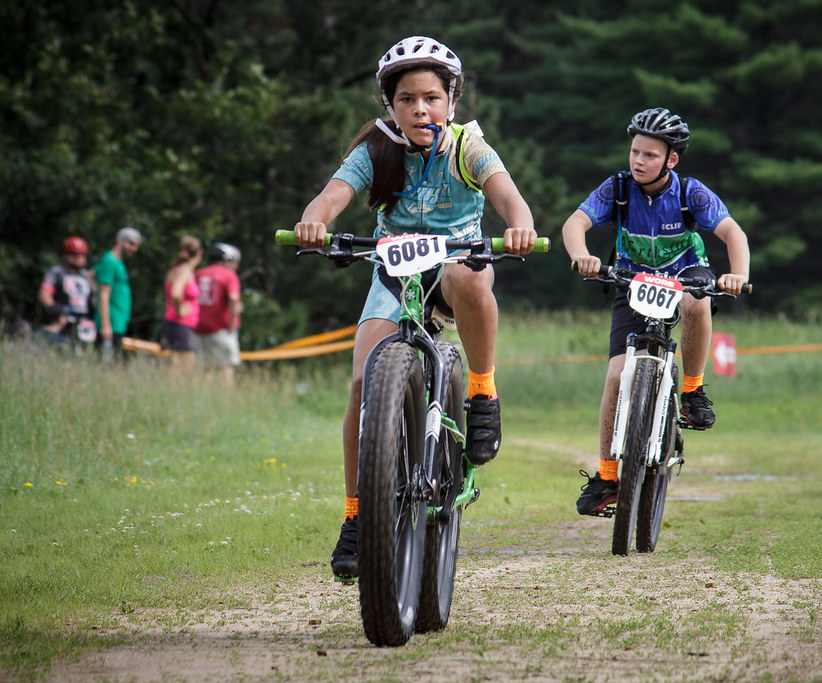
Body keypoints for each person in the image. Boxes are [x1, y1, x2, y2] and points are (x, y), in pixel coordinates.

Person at [292, 36, 536, 578]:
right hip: (392, 273)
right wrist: (316, 220)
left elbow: (507, 196)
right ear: (390, 106)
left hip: (454, 270)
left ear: (451, 101)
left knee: (467, 275)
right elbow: (332, 194)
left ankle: (482, 391)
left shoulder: (468, 147)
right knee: (361, 383)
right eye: (406, 99)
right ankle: (357, 516)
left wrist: (521, 225)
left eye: (430, 97)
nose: (419, 108)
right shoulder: (376, 148)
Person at [563, 107, 750, 516]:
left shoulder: (691, 193)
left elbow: (732, 232)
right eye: (634, 152)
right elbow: (574, 223)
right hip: (631, 283)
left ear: (671, 159)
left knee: (696, 299)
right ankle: (608, 476)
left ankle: (692, 391)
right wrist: (582, 256)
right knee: (615, 375)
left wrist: (738, 274)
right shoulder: (617, 188)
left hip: (684, 276)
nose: (638, 161)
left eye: (650, 155)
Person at [195, 242, 243, 386]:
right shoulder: (229, 275)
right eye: (234, 262)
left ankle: (206, 398)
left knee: (205, 368)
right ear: (227, 259)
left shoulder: (198, 273)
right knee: (227, 367)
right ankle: (226, 401)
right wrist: (231, 325)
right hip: (221, 328)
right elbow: (233, 299)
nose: (235, 266)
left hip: (199, 328)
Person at [93, 227, 142, 361]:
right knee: (107, 364)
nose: (134, 249)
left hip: (118, 322)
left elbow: (91, 274)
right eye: (131, 244)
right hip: (110, 324)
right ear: (119, 240)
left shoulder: (117, 263)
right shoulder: (110, 261)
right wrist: (105, 324)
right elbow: (104, 293)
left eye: (136, 246)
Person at [38, 235, 95, 347]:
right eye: (75, 254)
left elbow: (95, 300)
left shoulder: (87, 276)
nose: (80, 258)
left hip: (85, 323)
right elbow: (44, 295)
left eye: (83, 254)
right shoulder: (56, 272)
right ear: (66, 255)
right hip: (63, 319)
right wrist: (59, 312)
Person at [159, 235, 203, 369]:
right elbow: (176, 293)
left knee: (173, 368)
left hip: (173, 324)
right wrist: (180, 310)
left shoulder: (175, 270)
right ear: (199, 254)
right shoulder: (184, 271)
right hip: (181, 326)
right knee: (184, 371)